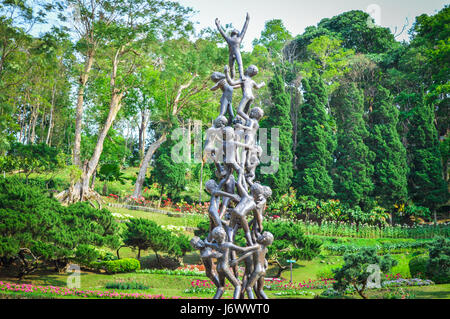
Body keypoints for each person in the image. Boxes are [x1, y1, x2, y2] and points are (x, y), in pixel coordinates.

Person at [204, 227, 258, 299]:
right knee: (238, 286)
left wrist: (206, 240)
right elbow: (243, 249)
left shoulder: (215, 245)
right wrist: (254, 247)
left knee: (221, 287)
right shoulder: (228, 245)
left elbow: (207, 243)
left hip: (219, 268)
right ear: (225, 235)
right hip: (225, 267)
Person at [215, 13, 250, 80]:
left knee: (240, 64)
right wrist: (218, 25)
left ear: (237, 33)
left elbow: (244, 29)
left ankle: (241, 75)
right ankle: (232, 78)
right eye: (233, 30)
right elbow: (222, 32)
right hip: (231, 54)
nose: (234, 29)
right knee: (231, 67)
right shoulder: (229, 39)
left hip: (237, 53)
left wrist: (247, 20)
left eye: (236, 30)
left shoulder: (239, 38)